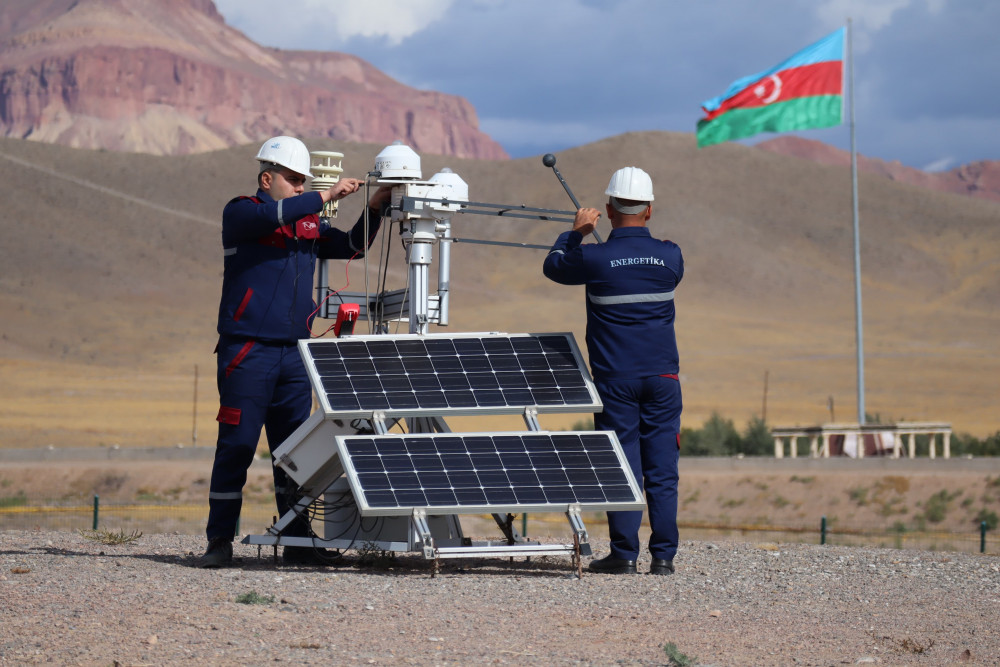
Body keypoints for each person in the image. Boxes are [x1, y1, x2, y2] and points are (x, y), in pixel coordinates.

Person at [199, 136, 390, 568]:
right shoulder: (242, 211)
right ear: (267, 178)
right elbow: (275, 214)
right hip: (247, 352)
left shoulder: (306, 223)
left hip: (292, 355)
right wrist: (324, 195)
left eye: (304, 181)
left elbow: (351, 247)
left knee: (294, 454)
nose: (299, 187)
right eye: (292, 179)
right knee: (238, 446)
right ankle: (219, 541)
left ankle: (297, 539)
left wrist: (374, 207)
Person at [542, 166, 683, 575]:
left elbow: (554, 266)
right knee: (662, 468)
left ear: (607, 208)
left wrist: (576, 232)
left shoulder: (592, 256)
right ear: (650, 210)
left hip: (615, 381)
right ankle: (663, 557)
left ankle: (623, 555)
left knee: (622, 462)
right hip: (664, 380)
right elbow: (657, 268)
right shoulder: (671, 255)